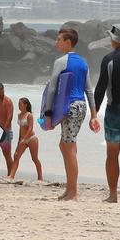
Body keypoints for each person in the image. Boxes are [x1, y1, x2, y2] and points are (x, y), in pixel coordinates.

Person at [44, 28, 100, 201]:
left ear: (68, 42)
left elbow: (53, 88)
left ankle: (73, 193)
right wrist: (93, 115)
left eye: (59, 39)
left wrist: (48, 113)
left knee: (69, 150)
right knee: (66, 145)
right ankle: (69, 190)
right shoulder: (83, 63)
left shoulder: (61, 61)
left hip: (69, 107)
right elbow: (89, 90)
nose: (56, 42)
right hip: (81, 106)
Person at [94, 24, 120, 203]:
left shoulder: (109, 59)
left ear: (114, 40)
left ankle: (113, 195)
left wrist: (94, 113)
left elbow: (101, 88)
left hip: (114, 112)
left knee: (112, 154)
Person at [8, 98, 43, 181]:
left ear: (25, 105)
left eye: (20, 104)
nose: (19, 106)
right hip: (23, 139)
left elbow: (30, 128)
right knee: (16, 155)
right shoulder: (19, 115)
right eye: (18, 104)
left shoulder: (29, 115)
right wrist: (19, 140)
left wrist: (24, 139)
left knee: (34, 158)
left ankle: (40, 177)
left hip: (31, 138)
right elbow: (21, 129)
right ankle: (11, 176)